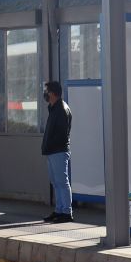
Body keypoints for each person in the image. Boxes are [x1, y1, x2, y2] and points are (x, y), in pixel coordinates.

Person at [41, 80, 73, 223]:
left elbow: (61, 134)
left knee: (62, 181)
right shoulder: (53, 108)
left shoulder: (61, 109)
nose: (45, 94)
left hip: (58, 151)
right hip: (52, 151)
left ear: (53, 94)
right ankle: (59, 210)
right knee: (56, 182)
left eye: (47, 92)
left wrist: (51, 146)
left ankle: (67, 212)